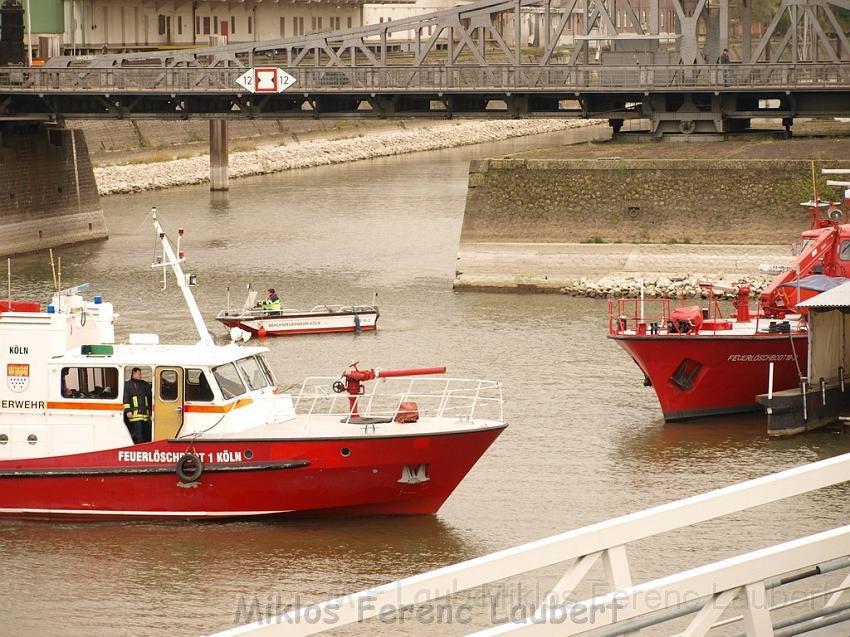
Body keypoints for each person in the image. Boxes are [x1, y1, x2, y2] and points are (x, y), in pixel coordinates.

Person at [123, 367, 152, 444]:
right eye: (139, 374)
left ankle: (147, 446)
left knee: (147, 432)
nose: (141, 375)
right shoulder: (127, 385)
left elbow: (149, 397)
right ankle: (139, 446)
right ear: (134, 374)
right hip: (134, 415)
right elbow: (126, 398)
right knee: (139, 433)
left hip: (145, 414)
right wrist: (128, 411)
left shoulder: (145, 384)